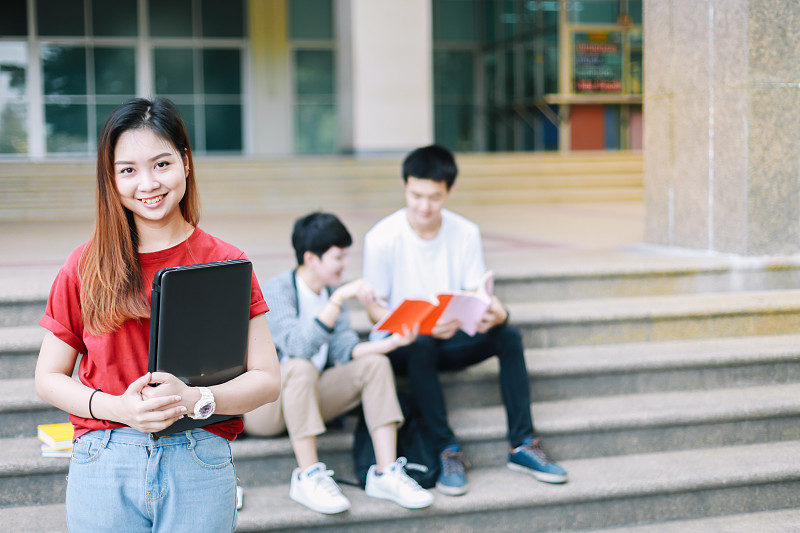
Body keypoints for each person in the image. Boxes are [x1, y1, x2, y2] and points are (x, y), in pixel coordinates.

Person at [34, 97, 282, 532]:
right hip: (105, 454)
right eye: (128, 169)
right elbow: (47, 377)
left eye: (161, 164)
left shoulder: (226, 262)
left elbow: (267, 379)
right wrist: (120, 408)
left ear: (186, 162)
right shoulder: (85, 265)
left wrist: (197, 400)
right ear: (111, 178)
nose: (147, 183)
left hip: (198, 451)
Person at [362, 144, 568, 497]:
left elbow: (478, 292)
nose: (424, 206)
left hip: (453, 337)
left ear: (450, 191)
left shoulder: (465, 232)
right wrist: (420, 325)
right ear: (404, 185)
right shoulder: (382, 237)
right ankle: (447, 449)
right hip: (405, 344)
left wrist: (496, 312)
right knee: (422, 343)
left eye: (435, 197)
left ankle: (522, 444)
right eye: (416, 195)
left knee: (509, 335)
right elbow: (374, 311)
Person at [243, 212, 434, 515]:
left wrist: (390, 343)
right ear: (311, 258)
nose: (345, 265)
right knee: (301, 366)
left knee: (376, 364)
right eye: (338, 257)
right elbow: (298, 347)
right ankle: (309, 475)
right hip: (265, 408)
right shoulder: (277, 291)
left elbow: (346, 349)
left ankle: (386, 472)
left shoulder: (333, 293)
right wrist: (337, 301)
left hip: (310, 397)